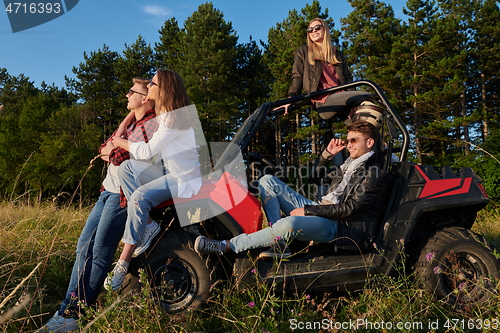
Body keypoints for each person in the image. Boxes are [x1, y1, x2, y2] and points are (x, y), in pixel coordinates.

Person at [39, 78, 158, 332]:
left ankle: (73, 314)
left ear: (145, 98)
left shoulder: (150, 124)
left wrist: (113, 145)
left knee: (101, 251)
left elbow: (115, 155)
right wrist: (120, 130)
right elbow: (104, 147)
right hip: (107, 192)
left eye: (131, 91)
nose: (127, 95)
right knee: (84, 246)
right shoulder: (133, 123)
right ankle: (69, 309)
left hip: (121, 196)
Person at [194, 121, 386, 258]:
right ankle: (279, 243)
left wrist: (308, 210)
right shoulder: (348, 166)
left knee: (290, 224)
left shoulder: (374, 172)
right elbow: (314, 178)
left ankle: (227, 246)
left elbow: (350, 210)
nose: (349, 144)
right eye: (348, 140)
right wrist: (327, 156)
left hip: (340, 226)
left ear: (369, 143)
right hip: (323, 209)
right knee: (268, 180)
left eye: (354, 140)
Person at [104, 69, 202, 291]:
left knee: (139, 196)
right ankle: (148, 225)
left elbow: (146, 152)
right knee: (126, 169)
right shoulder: (165, 111)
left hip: (184, 179)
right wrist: (127, 120)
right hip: (171, 173)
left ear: (164, 89)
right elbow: (137, 112)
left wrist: (119, 142)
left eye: (152, 84)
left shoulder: (172, 117)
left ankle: (122, 263)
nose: (148, 87)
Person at [281, 17, 370, 120]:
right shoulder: (304, 51)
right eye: (310, 30)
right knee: (365, 94)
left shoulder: (337, 54)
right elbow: (297, 76)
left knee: (365, 125)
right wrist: (290, 99)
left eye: (317, 27)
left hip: (343, 97)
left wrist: (354, 103)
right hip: (323, 100)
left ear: (325, 29)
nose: (313, 31)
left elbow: (348, 80)